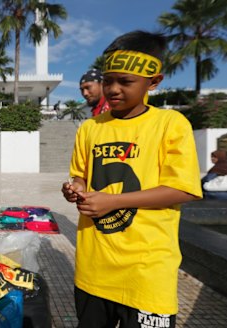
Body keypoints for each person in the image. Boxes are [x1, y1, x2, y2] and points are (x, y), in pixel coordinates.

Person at [61, 30, 202, 328]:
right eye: (108, 80)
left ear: (154, 81)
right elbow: (80, 175)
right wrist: (75, 188)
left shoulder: (170, 124)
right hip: (93, 270)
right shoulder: (90, 128)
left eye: (125, 82)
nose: (113, 89)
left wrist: (113, 202)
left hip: (147, 273)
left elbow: (183, 189)